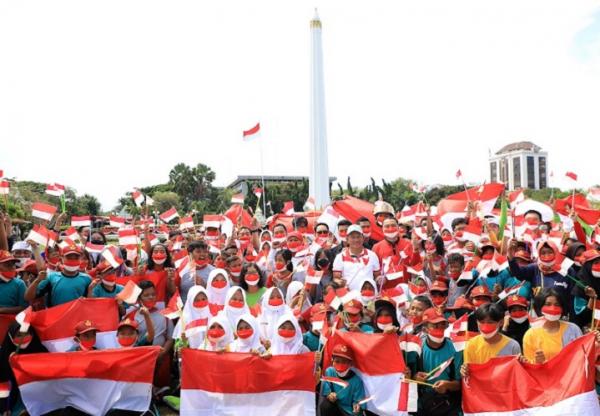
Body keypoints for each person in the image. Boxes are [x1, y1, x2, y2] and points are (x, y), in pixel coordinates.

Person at [415, 308, 462, 416]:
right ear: (425, 328)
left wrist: (448, 385)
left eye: (443, 325)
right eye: (435, 325)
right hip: (424, 403)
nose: (440, 329)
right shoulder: (417, 347)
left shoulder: (455, 348)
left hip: (449, 404)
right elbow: (408, 377)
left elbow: (460, 384)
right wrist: (415, 378)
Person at [522, 288, 582, 363]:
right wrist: (537, 362)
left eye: (557, 304)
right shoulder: (530, 335)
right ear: (540, 307)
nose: (553, 308)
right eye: (548, 304)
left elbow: (582, 357)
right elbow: (528, 367)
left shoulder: (573, 329)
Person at [0, 323, 48, 415]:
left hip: (39, 398)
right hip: (12, 400)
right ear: (11, 336)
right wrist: (4, 407)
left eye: (26, 333)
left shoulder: (41, 350)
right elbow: (2, 382)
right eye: (18, 335)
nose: (23, 337)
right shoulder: (3, 355)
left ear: (32, 334)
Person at [25, 243, 92, 307]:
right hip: (55, 316)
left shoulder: (87, 279)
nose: (72, 260)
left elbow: (91, 302)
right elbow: (28, 297)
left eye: (76, 258)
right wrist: (37, 280)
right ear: (62, 258)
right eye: (69, 257)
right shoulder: (51, 277)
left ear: (80, 259)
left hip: (77, 317)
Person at [462, 303, 521, 371]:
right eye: (482, 322)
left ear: (501, 322)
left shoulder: (513, 346)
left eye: (490, 322)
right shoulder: (471, 344)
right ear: (477, 322)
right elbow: (469, 373)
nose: (485, 327)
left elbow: (517, 373)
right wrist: (465, 371)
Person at [320, 343, 366, 416]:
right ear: (332, 360)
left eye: (344, 362)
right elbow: (326, 389)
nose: (340, 364)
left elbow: (359, 401)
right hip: (334, 407)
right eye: (337, 361)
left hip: (348, 412)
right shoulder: (329, 371)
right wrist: (329, 394)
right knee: (325, 405)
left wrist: (357, 407)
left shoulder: (357, 381)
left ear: (351, 363)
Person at [332, 225, 380, 291]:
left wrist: (380, 279)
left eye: (358, 237)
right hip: (349, 296)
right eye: (353, 237)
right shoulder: (340, 257)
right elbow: (336, 278)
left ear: (363, 238)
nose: (356, 240)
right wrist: (339, 282)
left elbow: (377, 275)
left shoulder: (372, 255)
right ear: (347, 239)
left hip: (369, 295)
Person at [0, 250, 27, 314]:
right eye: (7, 265)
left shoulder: (19, 284)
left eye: (13, 264)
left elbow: (24, 307)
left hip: (11, 321)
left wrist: (2, 310)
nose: (12, 267)